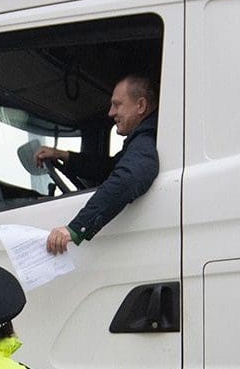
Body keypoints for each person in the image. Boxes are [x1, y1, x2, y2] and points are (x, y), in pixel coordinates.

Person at [37, 74, 159, 256]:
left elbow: (128, 177)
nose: (111, 113)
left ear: (140, 105)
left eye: (117, 104)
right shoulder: (143, 137)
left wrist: (76, 229)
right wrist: (62, 155)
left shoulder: (146, 137)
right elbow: (109, 169)